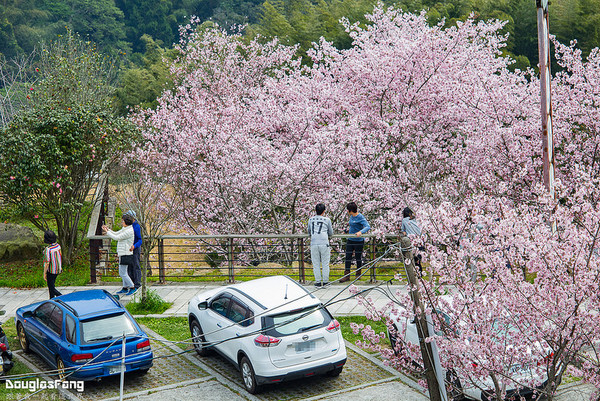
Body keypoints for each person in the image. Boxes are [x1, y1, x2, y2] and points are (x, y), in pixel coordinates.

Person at [102, 214, 136, 296]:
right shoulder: (125, 228)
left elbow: (116, 237)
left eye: (123, 220)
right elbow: (116, 233)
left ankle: (132, 287)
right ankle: (125, 288)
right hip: (123, 252)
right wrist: (108, 230)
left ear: (126, 222)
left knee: (122, 273)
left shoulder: (129, 231)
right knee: (124, 272)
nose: (122, 222)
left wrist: (107, 232)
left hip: (126, 253)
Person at [342, 202, 371, 283]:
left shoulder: (360, 217)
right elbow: (352, 225)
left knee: (358, 257)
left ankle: (358, 274)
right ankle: (346, 275)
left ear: (351, 210)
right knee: (348, 257)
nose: (347, 211)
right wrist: (346, 230)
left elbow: (367, 226)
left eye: (348, 210)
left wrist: (360, 232)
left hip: (358, 241)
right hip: (350, 239)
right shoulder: (351, 216)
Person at [308, 203, 333, 287]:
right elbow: (331, 232)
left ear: (315, 211)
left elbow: (309, 231)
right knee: (325, 263)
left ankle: (318, 282)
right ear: (324, 211)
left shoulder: (311, 220)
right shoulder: (327, 220)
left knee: (316, 263)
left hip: (314, 242)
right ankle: (325, 282)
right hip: (324, 242)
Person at [400, 207, 423, 274]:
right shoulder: (416, 219)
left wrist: (406, 234)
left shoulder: (404, 220)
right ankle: (419, 275)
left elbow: (403, 231)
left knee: (412, 260)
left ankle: (416, 276)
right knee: (418, 259)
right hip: (420, 239)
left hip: (411, 241)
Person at [125, 210, 142, 291]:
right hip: (128, 249)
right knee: (129, 266)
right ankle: (131, 283)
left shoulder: (136, 226)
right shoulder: (128, 226)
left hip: (135, 248)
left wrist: (134, 246)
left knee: (136, 265)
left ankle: (137, 283)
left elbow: (140, 240)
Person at [43, 230, 62, 299]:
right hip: (58, 269)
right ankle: (52, 299)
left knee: (51, 288)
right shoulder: (58, 246)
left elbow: (47, 263)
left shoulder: (48, 249)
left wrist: (44, 273)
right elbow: (60, 256)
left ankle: (62, 297)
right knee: (52, 286)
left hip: (51, 271)